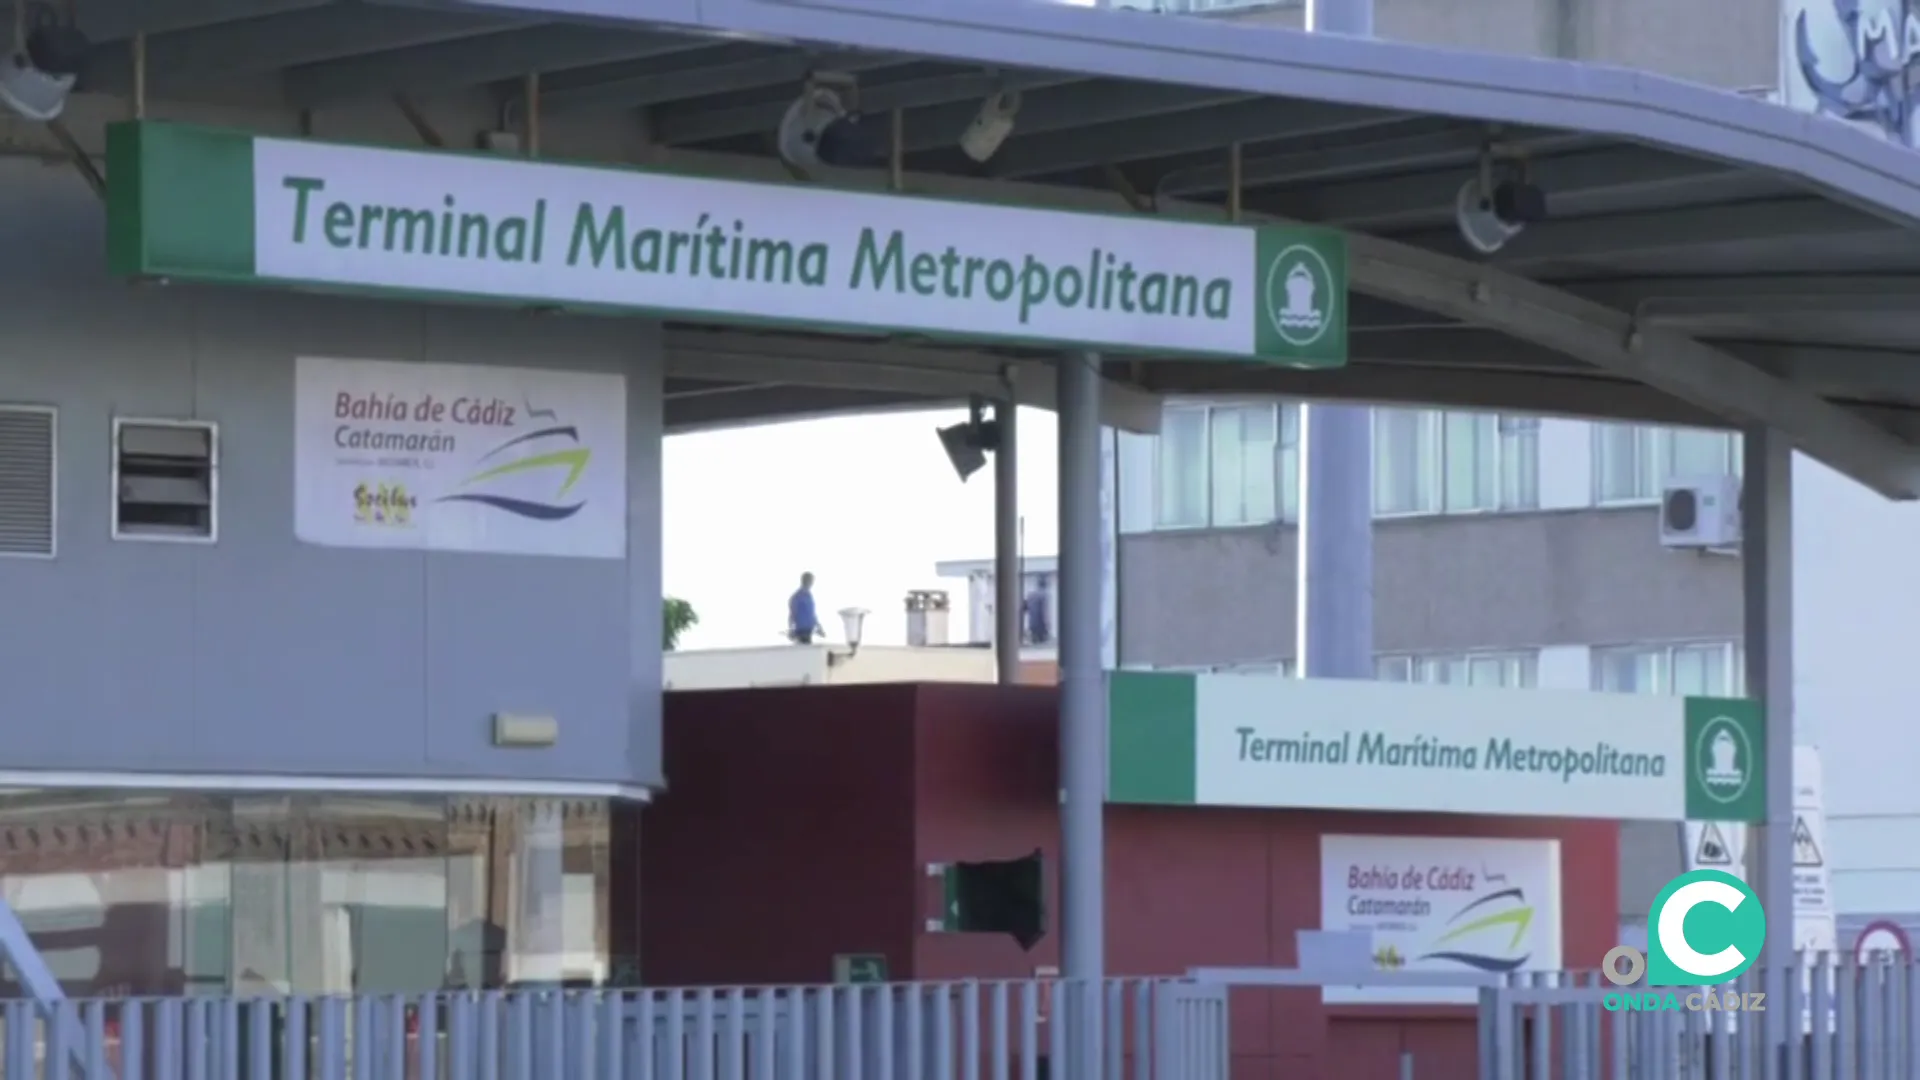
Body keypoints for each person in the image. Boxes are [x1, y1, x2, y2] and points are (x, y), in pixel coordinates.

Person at [789, 572, 826, 644]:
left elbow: (812, 614)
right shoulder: (797, 596)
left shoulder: (809, 596)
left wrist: (819, 627)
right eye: (811, 581)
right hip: (801, 632)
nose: (812, 583)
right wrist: (791, 629)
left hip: (809, 631)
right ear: (806, 581)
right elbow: (792, 614)